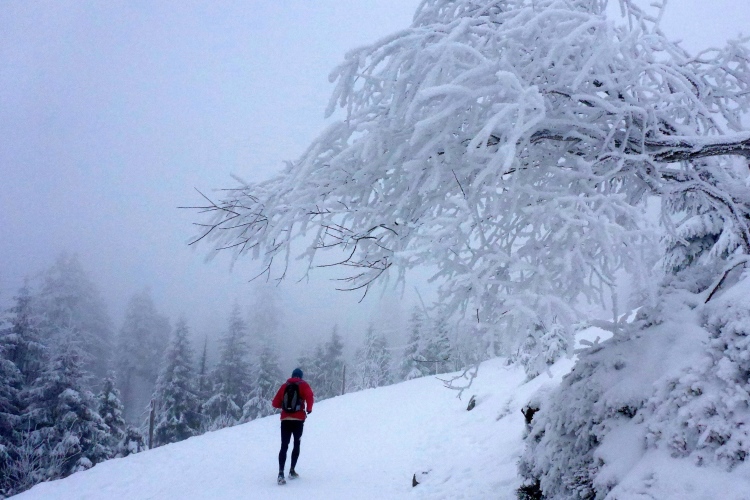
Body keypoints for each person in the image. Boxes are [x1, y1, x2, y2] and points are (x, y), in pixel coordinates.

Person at [272, 367, 314, 485]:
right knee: (296, 444)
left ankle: (281, 473)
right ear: (301, 376)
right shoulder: (303, 385)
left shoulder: (284, 386)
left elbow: (275, 403)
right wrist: (309, 409)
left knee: (284, 445)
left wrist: (286, 407)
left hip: (285, 419)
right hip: (298, 420)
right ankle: (292, 470)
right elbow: (310, 396)